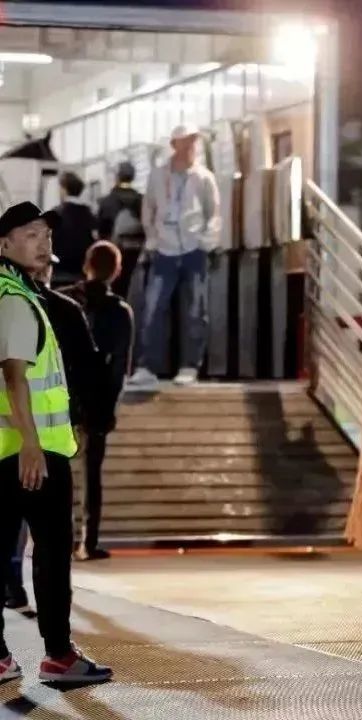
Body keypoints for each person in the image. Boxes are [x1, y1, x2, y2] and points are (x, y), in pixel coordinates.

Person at [0, 201, 111, 683]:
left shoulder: (19, 294)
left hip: (13, 450)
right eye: (29, 234)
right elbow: (15, 376)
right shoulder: (15, 299)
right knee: (50, 554)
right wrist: (29, 443)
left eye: (45, 234)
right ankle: (59, 656)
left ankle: (3, 657)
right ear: (3, 245)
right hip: (33, 454)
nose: (43, 241)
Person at [5, 250, 98, 610]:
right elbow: (83, 371)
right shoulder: (44, 306)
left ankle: (14, 588)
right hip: (41, 442)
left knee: (17, 535)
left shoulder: (36, 305)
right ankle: (57, 649)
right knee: (51, 542)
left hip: (28, 441)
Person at [127, 123, 220, 389]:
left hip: (193, 251)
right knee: (154, 308)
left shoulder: (204, 177)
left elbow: (213, 212)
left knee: (195, 309)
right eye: (186, 141)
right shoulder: (158, 175)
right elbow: (150, 209)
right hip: (164, 250)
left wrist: (205, 242)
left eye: (193, 140)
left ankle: (190, 366)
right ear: (174, 144)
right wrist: (154, 240)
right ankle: (146, 366)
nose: (191, 145)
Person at [59, 241, 134, 561]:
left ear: (85, 264)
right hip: (97, 398)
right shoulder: (120, 312)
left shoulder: (62, 300)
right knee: (92, 474)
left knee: (58, 473)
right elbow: (120, 367)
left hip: (61, 397)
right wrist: (109, 407)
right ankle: (87, 543)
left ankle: (57, 540)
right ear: (117, 271)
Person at [95, 161, 145, 299]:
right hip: (137, 254)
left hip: (113, 252)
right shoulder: (141, 200)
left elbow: (100, 231)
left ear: (117, 176)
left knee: (113, 290)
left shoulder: (107, 201)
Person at [48, 172, 96, 287]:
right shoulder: (89, 214)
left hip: (58, 274)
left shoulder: (56, 213)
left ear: (64, 189)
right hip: (82, 274)